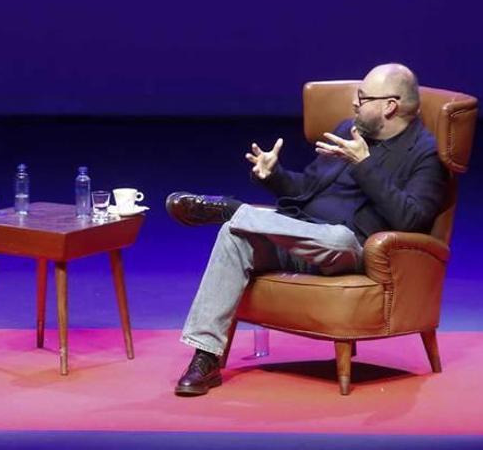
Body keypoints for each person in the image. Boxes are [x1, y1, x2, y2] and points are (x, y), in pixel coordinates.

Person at [165, 63, 447, 396]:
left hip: (348, 251)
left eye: (363, 97)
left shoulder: (425, 156)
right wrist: (274, 175)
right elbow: (306, 190)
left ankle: (232, 210)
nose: (355, 104)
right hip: (298, 236)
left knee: (337, 236)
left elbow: (411, 220)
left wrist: (364, 165)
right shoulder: (349, 130)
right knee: (233, 235)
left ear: (390, 105)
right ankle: (205, 357)